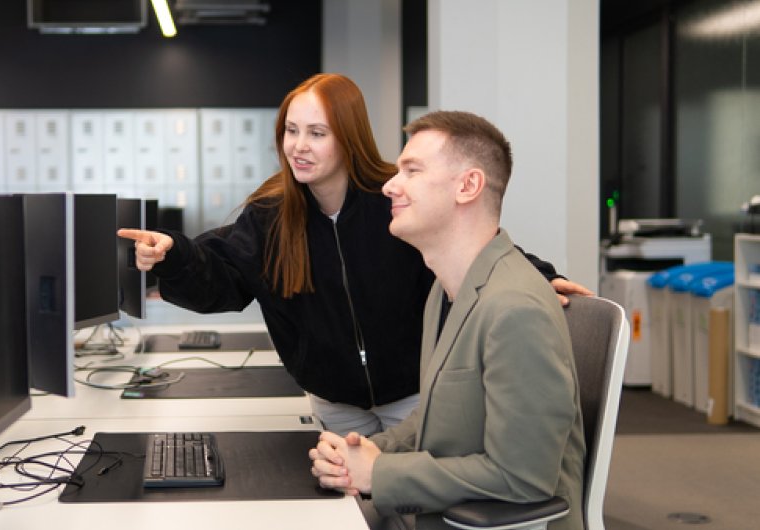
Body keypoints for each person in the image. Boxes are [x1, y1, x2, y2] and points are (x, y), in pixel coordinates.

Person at [117, 73, 591, 436]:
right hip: (333, 402)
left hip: (417, 394)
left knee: (412, 508)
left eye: (317, 133)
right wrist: (174, 255)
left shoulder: (397, 198)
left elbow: (467, 243)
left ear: (349, 136)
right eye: (291, 131)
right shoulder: (269, 216)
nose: (299, 146)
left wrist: (536, 275)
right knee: (353, 510)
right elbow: (219, 279)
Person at [308, 110, 585, 530]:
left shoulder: (515, 309)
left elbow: (523, 478)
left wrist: (377, 473)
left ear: (468, 186)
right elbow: (437, 416)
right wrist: (363, 449)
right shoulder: (445, 290)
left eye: (412, 170)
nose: (389, 185)